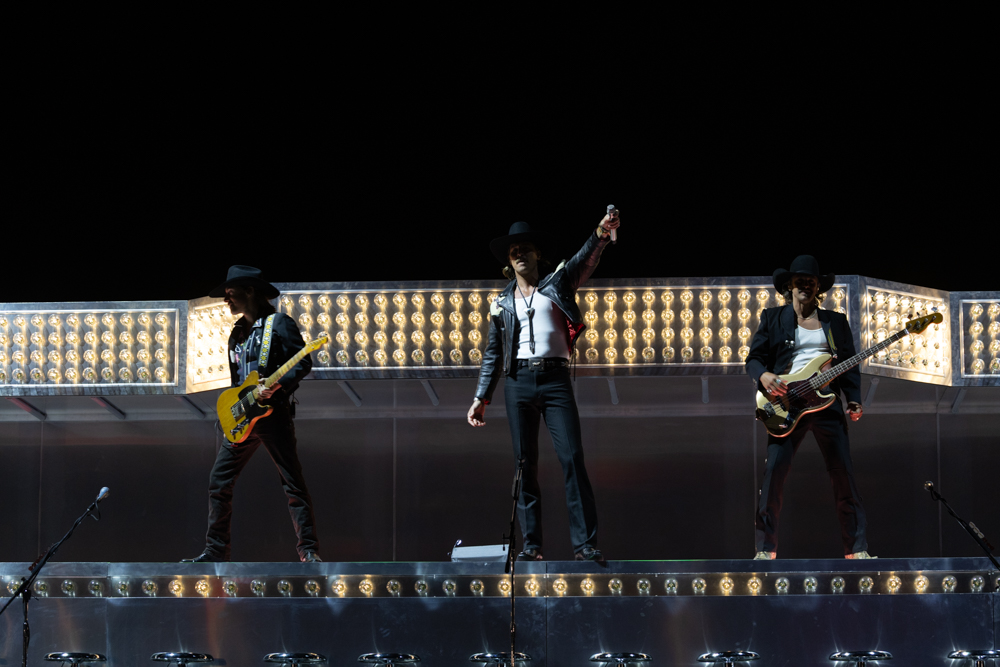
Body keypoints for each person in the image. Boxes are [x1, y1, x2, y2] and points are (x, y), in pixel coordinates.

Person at [467, 213, 620, 562]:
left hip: (555, 379)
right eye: (514, 251)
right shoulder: (502, 302)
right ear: (509, 261)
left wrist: (601, 232)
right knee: (524, 464)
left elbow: (584, 259)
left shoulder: (558, 283)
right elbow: (493, 353)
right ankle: (532, 546)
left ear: (537, 254)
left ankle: (584, 545)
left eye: (525, 249)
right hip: (518, 382)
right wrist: (481, 397)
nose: (520, 254)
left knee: (572, 458)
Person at [183, 265, 321, 563]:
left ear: (249, 291)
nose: (226, 300)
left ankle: (308, 552)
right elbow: (238, 383)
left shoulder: (279, 323)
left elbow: (302, 362)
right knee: (219, 481)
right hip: (243, 418)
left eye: (230, 293)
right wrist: (235, 410)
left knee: (292, 481)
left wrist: (277, 387)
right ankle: (215, 552)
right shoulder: (236, 334)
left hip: (273, 415)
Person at [746, 255, 873, 560]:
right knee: (773, 475)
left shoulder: (835, 322)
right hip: (787, 404)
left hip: (826, 402)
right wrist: (763, 375)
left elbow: (848, 364)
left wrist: (853, 398)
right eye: (800, 280)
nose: (805, 285)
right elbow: (753, 359)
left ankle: (856, 550)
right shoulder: (772, 318)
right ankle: (765, 550)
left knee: (843, 474)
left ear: (818, 287)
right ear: (789, 286)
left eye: (811, 281)